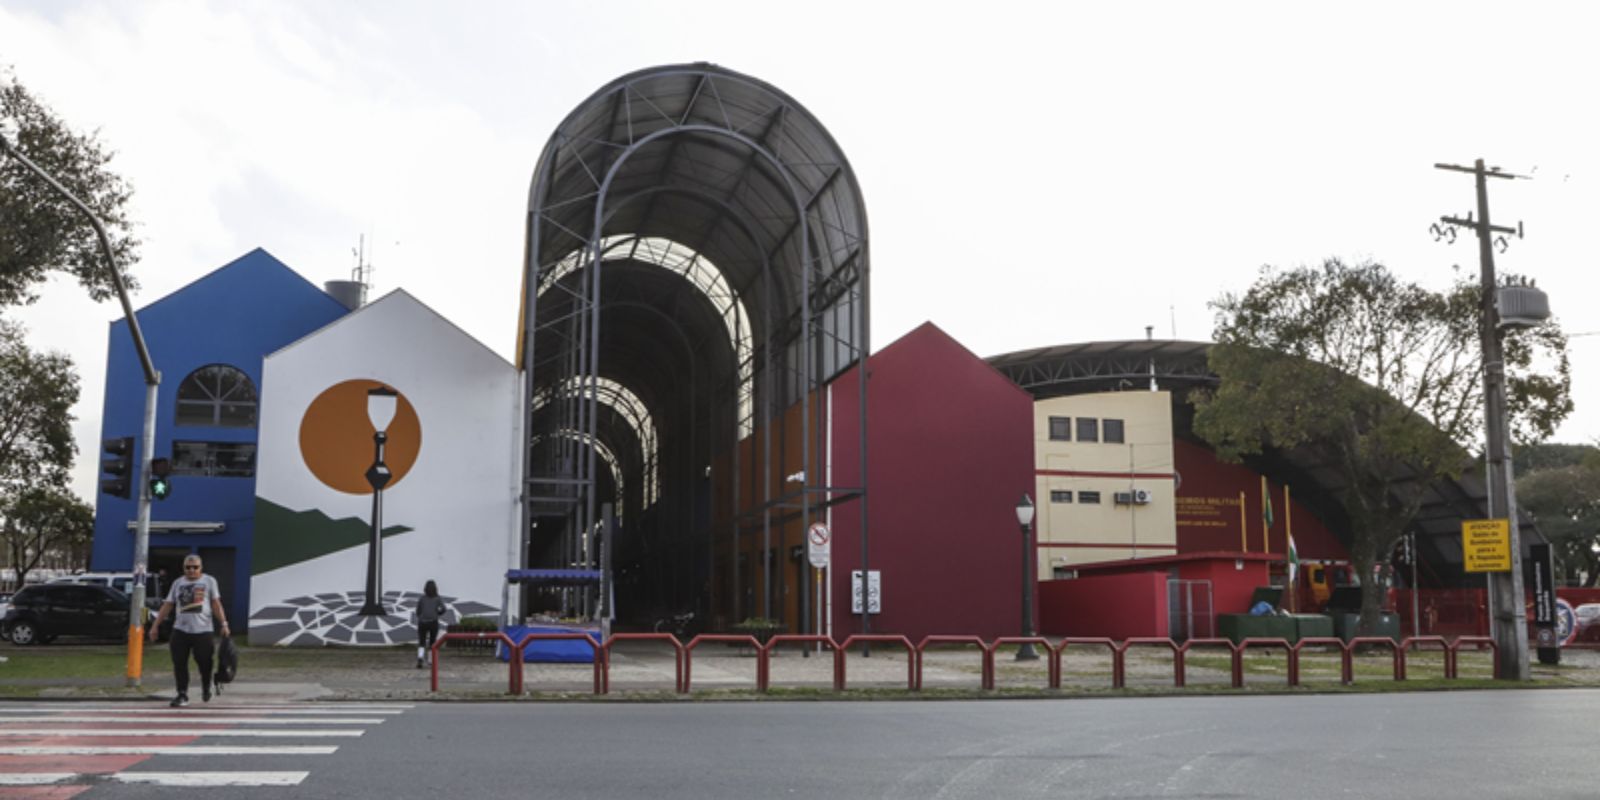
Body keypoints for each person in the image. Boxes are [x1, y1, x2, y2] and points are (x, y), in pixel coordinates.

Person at [148, 554, 229, 707]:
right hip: (181, 630)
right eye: (188, 567)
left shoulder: (209, 581)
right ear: (184, 568)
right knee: (179, 663)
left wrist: (224, 623)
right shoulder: (178, 583)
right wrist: (155, 625)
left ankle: (206, 685)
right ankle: (182, 693)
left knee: (205, 662)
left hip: (203, 630)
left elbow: (216, 604)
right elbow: (168, 605)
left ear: (201, 568)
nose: (191, 570)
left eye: (195, 567)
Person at [416, 579, 446, 668]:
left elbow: (418, 610)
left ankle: (420, 658)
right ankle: (430, 660)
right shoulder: (437, 598)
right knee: (432, 643)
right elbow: (444, 609)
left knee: (422, 642)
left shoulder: (422, 598)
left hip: (422, 622)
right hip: (433, 622)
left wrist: (420, 616)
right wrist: (437, 613)